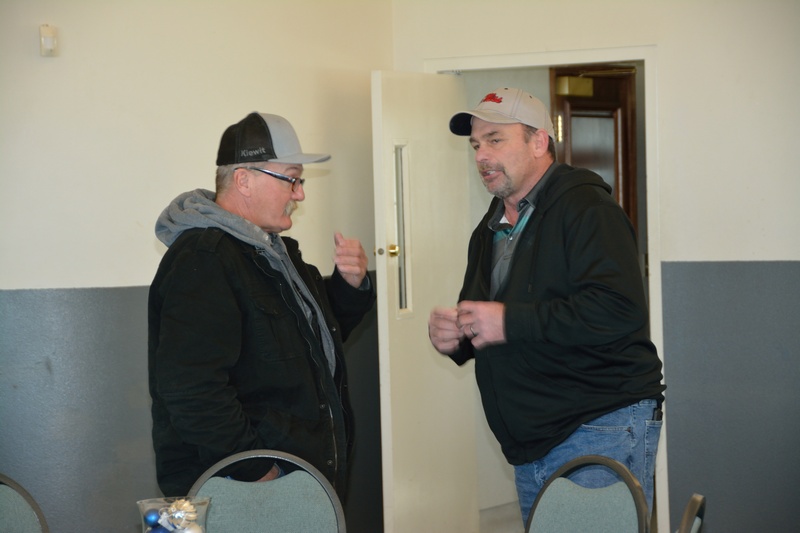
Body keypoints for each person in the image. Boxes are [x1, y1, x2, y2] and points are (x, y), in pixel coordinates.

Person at [427, 87, 666, 523]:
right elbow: (486, 320)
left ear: (539, 142)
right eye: (476, 145)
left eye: (495, 140)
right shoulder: (489, 228)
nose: (482, 156)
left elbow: (619, 308)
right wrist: (456, 337)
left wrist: (507, 322)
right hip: (531, 441)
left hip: (598, 426)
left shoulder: (587, 208)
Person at [148, 111, 375, 498]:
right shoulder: (205, 258)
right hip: (245, 491)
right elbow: (192, 390)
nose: (299, 194)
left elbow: (311, 342)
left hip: (289, 481)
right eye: (291, 179)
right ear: (244, 180)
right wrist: (256, 473)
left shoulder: (274, 253)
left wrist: (350, 286)